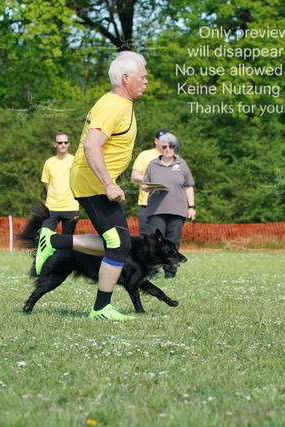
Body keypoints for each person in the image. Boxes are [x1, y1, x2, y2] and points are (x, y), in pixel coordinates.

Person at [35, 51, 148, 321]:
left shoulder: (120, 103)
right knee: (118, 243)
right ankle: (100, 308)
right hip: (92, 182)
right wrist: (109, 184)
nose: (146, 81)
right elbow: (91, 145)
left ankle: (54, 241)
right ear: (126, 77)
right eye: (142, 77)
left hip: (93, 181)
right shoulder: (113, 106)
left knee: (119, 244)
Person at [142, 132, 195, 279]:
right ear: (160, 147)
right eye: (164, 146)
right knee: (155, 242)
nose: (167, 149)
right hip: (156, 210)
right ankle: (151, 272)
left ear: (175, 147)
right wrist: (148, 187)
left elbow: (188, 187)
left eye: (171, 146)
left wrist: (192, 207)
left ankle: (170, 273)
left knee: (173, 241)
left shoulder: (182, 164)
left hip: (177, 210)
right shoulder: (153, 164)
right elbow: (144, 184)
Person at [40, 132, 79, 234]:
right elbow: (46, 183)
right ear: (55, 144)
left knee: (67, 239)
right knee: (43, 234)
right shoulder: (49, 162)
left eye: (65, 142)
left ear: (69, 143)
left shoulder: (74, 161)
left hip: (71, 207)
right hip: (51, 207)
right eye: (60, 142)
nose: (63, 145)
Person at [131, 129, 168, 236]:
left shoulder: (175, 157)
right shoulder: (145, 155)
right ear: (156, 141)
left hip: (168, 205)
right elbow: (134, 177)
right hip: (146, 204)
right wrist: (153, 179)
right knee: (146, 238)